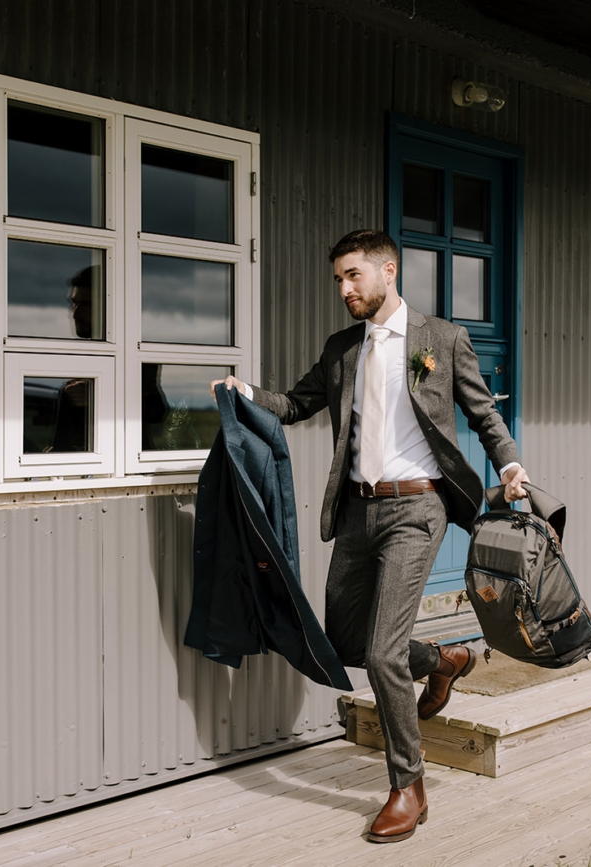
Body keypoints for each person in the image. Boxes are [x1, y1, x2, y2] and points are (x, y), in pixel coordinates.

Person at [211, 229, 528, 843]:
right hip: (357, 513)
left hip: (418, 508)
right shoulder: (341, 349)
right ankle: (445, 660)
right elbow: (296, 404)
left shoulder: (441, 339)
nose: (344, 289)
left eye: (353, 275)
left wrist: (510, 466)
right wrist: (245, 392)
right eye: (338, 279)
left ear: (389, 270)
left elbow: (483, 413)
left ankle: (408, 786)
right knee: (347, 641)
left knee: (383, 654)